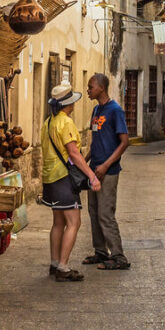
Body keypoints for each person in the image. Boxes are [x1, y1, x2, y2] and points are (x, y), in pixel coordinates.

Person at [41, 80, 101, 282]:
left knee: (58, 222)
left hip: (50, 177)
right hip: (64, 178)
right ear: (69, 104)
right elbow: (74, 154)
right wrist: (91, 176)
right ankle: (64, 267)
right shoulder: (65, 123)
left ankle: (54, 262)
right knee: (74, 222)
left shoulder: (48, 122)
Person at [83, 73, 130, 270]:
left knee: (105, 213)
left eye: (91, 86)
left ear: (101, 87)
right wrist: (84, 163)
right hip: (94, 170)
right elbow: (95, 141)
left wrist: (105, 165)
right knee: (93, 211)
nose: (88, 90)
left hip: (108, 172)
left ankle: (118, 256)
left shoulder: (115, 111)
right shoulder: (96, 110)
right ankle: (100, 252)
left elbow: (124, 142)